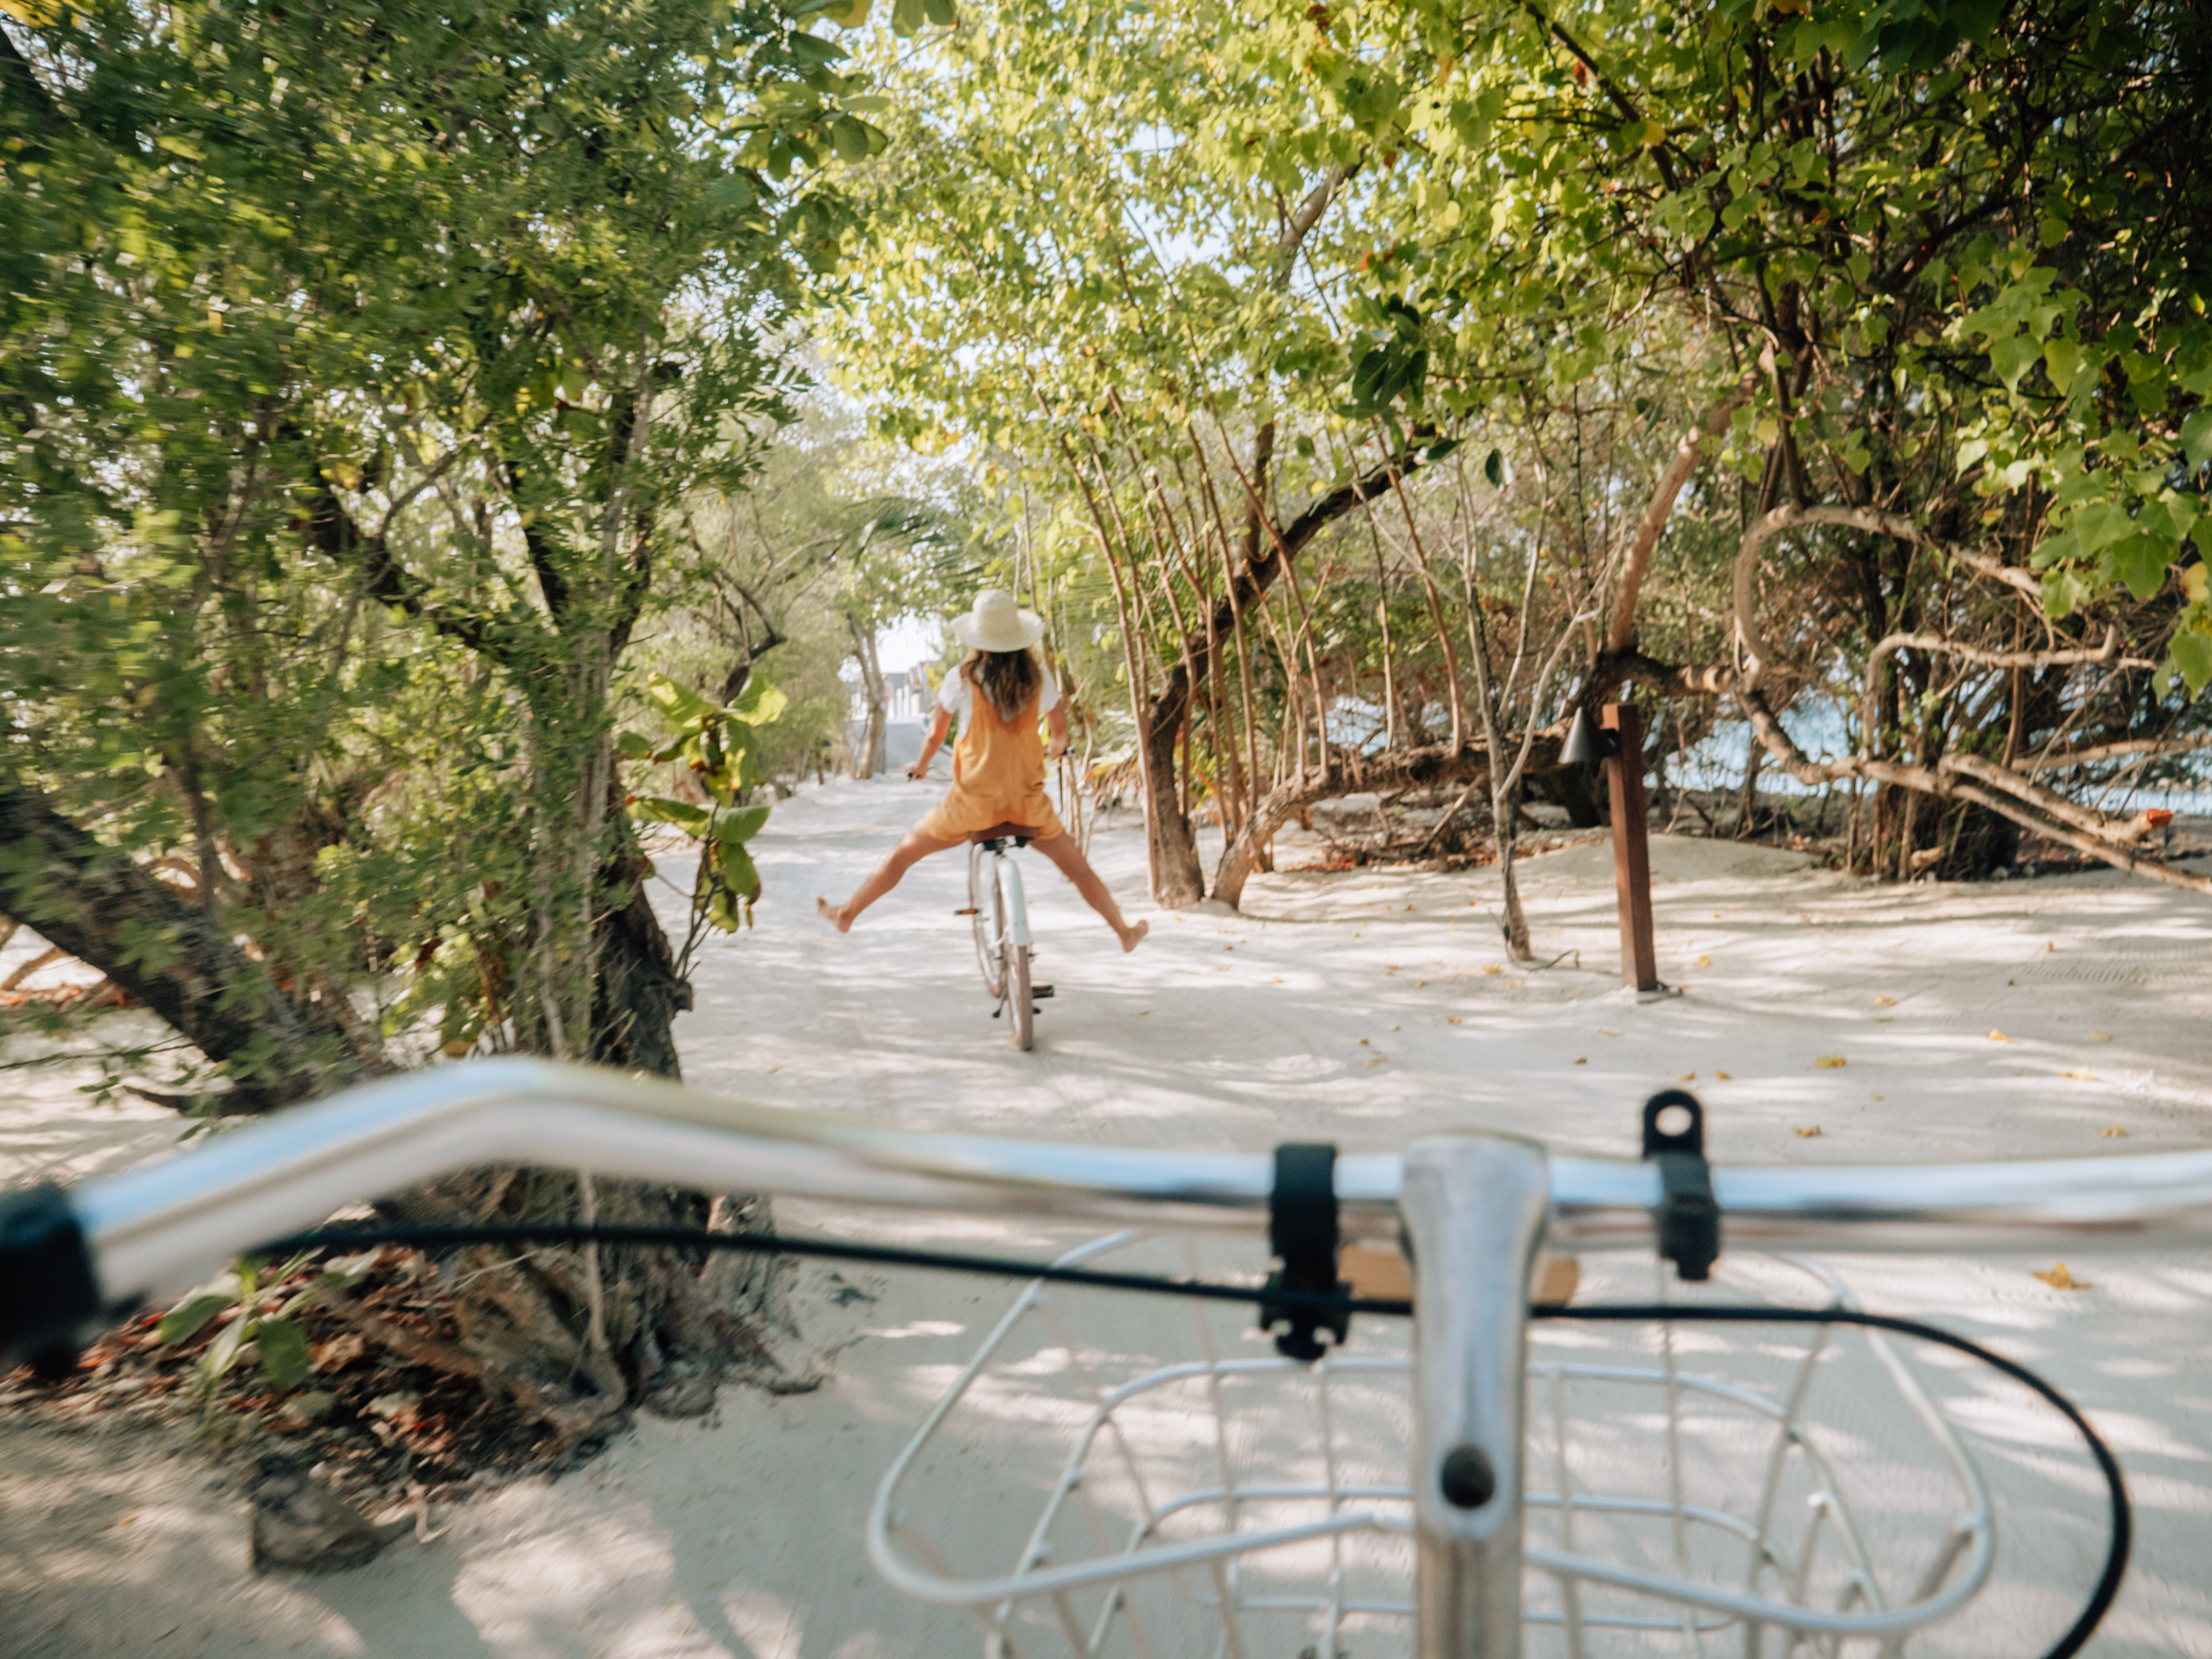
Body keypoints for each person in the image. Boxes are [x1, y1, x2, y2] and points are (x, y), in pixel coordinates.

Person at [816, 590, 1148, 952]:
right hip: (1027, 805)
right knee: (1079, 870)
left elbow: (935, 735)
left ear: (978, 639)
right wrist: (1057, 744)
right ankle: (1123, 932)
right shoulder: (1039, 678)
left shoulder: (961, 679)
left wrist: (922, 766)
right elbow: (1059, 726)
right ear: (1018, 637)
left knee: (902, 855)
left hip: (972, 806)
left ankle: (847, 914)